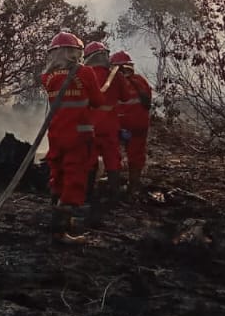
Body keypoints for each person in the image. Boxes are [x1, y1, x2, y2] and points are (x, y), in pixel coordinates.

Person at [40, 32, 104, 243]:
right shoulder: (84, 73)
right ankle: (60, 232)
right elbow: (97, 101)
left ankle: (58, 224)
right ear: (74, 52)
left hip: (56, 135)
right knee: (74, 181)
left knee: (57, 175)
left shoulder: (47, 77)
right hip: (78, 135)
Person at [82, 41, 125, 214]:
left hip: (91, 125)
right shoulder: (116, 76)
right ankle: (115, 195)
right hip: (110, 126)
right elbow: (126, 96)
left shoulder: (85, 74)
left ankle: (87, 194)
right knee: (113, 159)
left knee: (90, 160)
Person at [112, 51, 153, 196]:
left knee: (112, 153)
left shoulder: (115, 82)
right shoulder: (141, 81)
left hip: (120, 126)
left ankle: (114, 184)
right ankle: (134, 184)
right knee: (136, 155)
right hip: (140, 125)